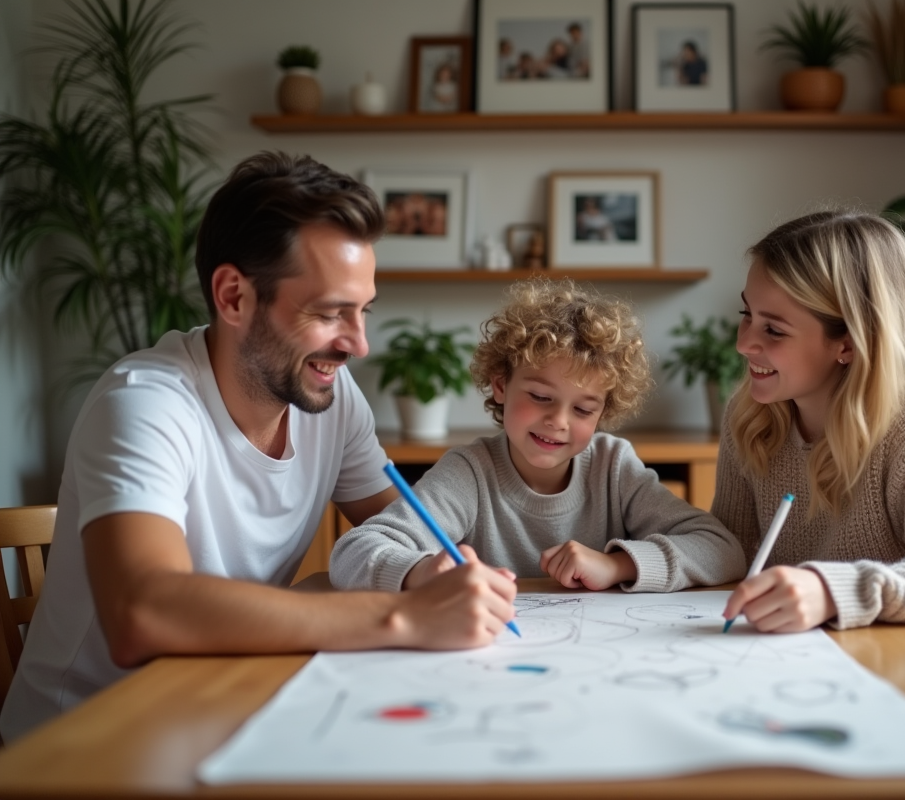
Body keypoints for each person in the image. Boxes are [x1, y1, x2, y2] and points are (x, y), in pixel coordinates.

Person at [0, 152, 517, 743]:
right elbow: (142, 614)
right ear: (234, 297)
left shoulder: (330, 394)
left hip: (226, 708)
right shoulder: (143, 404)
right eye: (329, 313)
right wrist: (405, 616)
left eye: (363, 311)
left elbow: (405, 526)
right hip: (86, 748)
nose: (359, 344)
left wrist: (427, 571)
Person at [716, 210, 905, 641]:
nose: (744, 342)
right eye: (746, 314)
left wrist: (832, 591)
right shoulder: (752, 417)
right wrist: (629, 562)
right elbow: (728, 551)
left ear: (847, 342)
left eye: (773, 329)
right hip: (823, 668)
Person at [331, 279, 746, 594]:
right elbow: (354, 551)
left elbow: (722, 549)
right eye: (541, 396)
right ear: (500, 386)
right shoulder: (470, 472)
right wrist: (423, 571)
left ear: (604, 411)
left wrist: (618, 565)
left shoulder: (613, 467)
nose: (558, 421)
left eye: (583, 409)